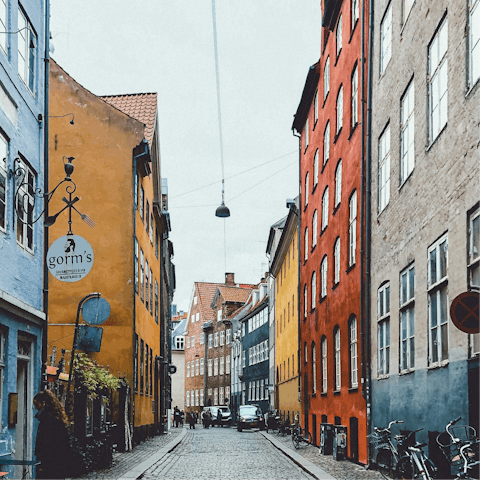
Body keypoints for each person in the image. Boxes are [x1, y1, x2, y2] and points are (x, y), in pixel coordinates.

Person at [33, 389, 73, 480]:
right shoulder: (55, 418)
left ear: (43, 403)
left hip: (50, 465)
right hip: (57, 465)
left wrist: (43, 464)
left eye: (36, 404)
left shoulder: (48, 420)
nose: (35, 407)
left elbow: (48, 444)